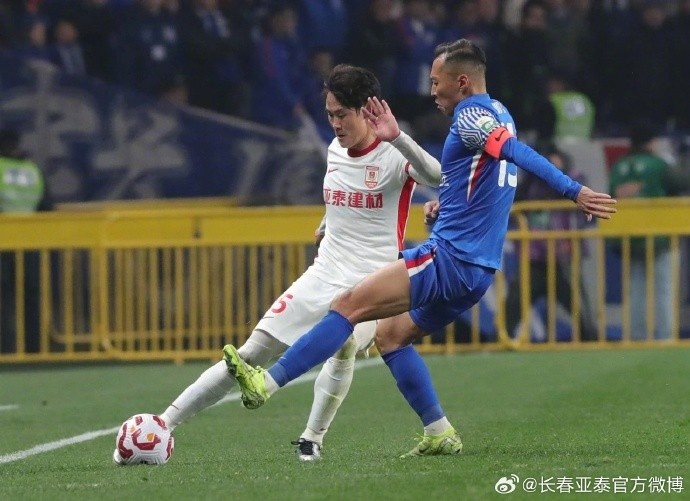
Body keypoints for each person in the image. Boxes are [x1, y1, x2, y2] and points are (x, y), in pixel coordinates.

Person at [223, 38, 616, 457]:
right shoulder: (500, 111)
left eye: (435, 81)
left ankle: (266, 383)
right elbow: (486, 181)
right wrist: (448, 204)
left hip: (450, 259)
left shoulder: (470, 117)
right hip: (478, 271)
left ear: (461, 82)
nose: (431, 91)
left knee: (347, 306)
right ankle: (439, 431)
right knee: (391, 336)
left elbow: (516, 153)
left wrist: (574, 191)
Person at [123, 64, 442, 463]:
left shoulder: (393, 153)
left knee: (344, 344)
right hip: (324, 272)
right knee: (250, 352)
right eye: (330, 114)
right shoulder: (334, 149)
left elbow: (437, 175)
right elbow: (347, 196)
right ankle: (164, 423)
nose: (335, 123)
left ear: (366, 110)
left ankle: (311, 438)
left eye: (342, 114)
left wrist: (398, 137)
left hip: (372, 281)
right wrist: (328, 220)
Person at [505, 146, 597, 342]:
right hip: (534, 256)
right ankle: (500, 340)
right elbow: (515, 202)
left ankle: (592, 341)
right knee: (513, 305)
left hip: (564, 256)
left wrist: (556, 173)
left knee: (580, 310)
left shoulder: (573, 177)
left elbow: (586, 204)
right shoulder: (529, 183)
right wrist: (533, 175)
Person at [608, 123, 690, 341]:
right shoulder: (659, 164)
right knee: (664, 289)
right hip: (660, 236)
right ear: (651, 141)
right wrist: (682, 158)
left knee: (636, 290)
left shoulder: (619, 166)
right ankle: (665, 338)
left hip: (630, 236)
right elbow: (682, 182)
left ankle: (636, 337)